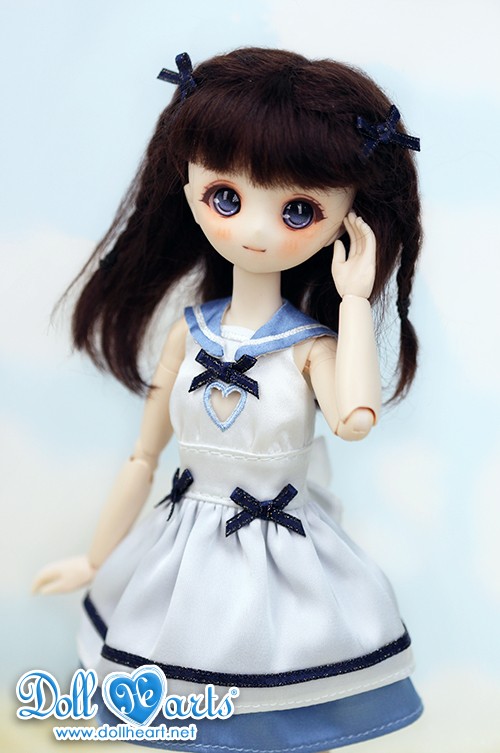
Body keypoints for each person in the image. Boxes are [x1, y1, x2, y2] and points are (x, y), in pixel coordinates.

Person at [34, 47, 423, 751]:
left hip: (279, 554)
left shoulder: (309, 348)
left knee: (273, 702)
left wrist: (355, 302)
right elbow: (142, 457)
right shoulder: (188, 333)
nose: (255, 230)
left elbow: (354, 419)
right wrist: (96, 561)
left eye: (298, 210)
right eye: (226, 197)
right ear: (188, 187)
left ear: (346, 219)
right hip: (182, 551)